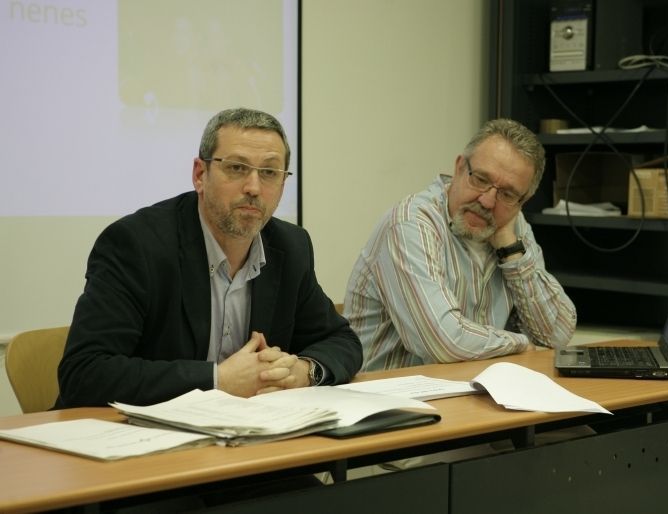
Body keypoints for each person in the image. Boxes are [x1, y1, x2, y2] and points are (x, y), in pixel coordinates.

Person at [56, 108, 362, 408]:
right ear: (200, 175)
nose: (254, 188)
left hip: (248, 439)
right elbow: (85, 373)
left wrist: (304, 371)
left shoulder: (290, 246)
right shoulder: (136, 245)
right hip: (134, 441)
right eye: (237, 168)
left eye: (269, 172)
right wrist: (217, 380)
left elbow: (342, 341)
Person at [344, 118, 576, 371]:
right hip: (390, 398)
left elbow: (557, 335)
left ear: (523, 201)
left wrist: (511, 251)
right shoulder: (410, 224)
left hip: (474, 390)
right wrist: (518, 344)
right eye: (480, 179)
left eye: (507, 194)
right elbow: (441, 342)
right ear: (458, 168)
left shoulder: (513, 227)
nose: (488, 201)